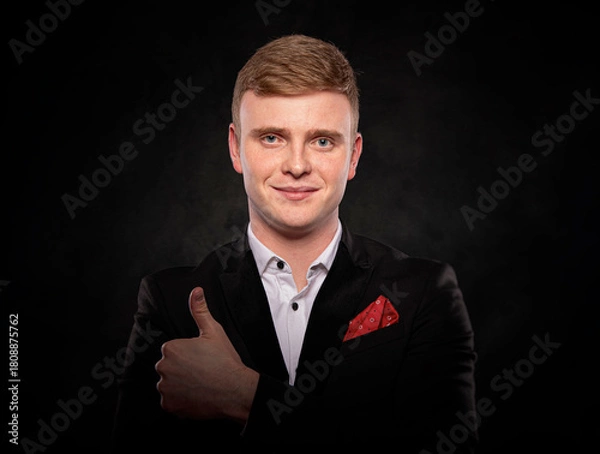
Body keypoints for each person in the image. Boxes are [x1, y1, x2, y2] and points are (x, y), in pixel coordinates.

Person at [111, 34, 477, 452]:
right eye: (272, 137)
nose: (298, 165)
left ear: (353, 156)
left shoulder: (424, 293)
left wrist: (246, 397)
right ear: (235, 148)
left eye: (322, 140)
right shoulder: (169, 301)